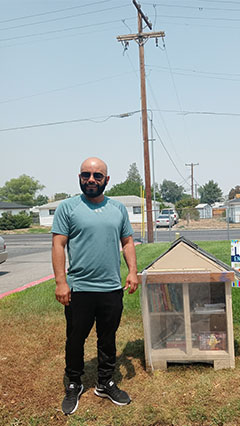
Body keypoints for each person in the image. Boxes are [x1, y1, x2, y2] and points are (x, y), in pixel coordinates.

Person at [52, 157, 139, 415]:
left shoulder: (118, 209)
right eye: (86, 175)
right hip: (79, 288)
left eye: (97, 175)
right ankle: (74, 383)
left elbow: (128, 242)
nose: (91, 180)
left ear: (106, 180)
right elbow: (59, 245)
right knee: (75, 339)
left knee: (107, 338)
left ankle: (105, 382)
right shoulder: (67, 208)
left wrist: (132, 272)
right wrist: (61, 282)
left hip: (111, 288)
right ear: (79, 177)